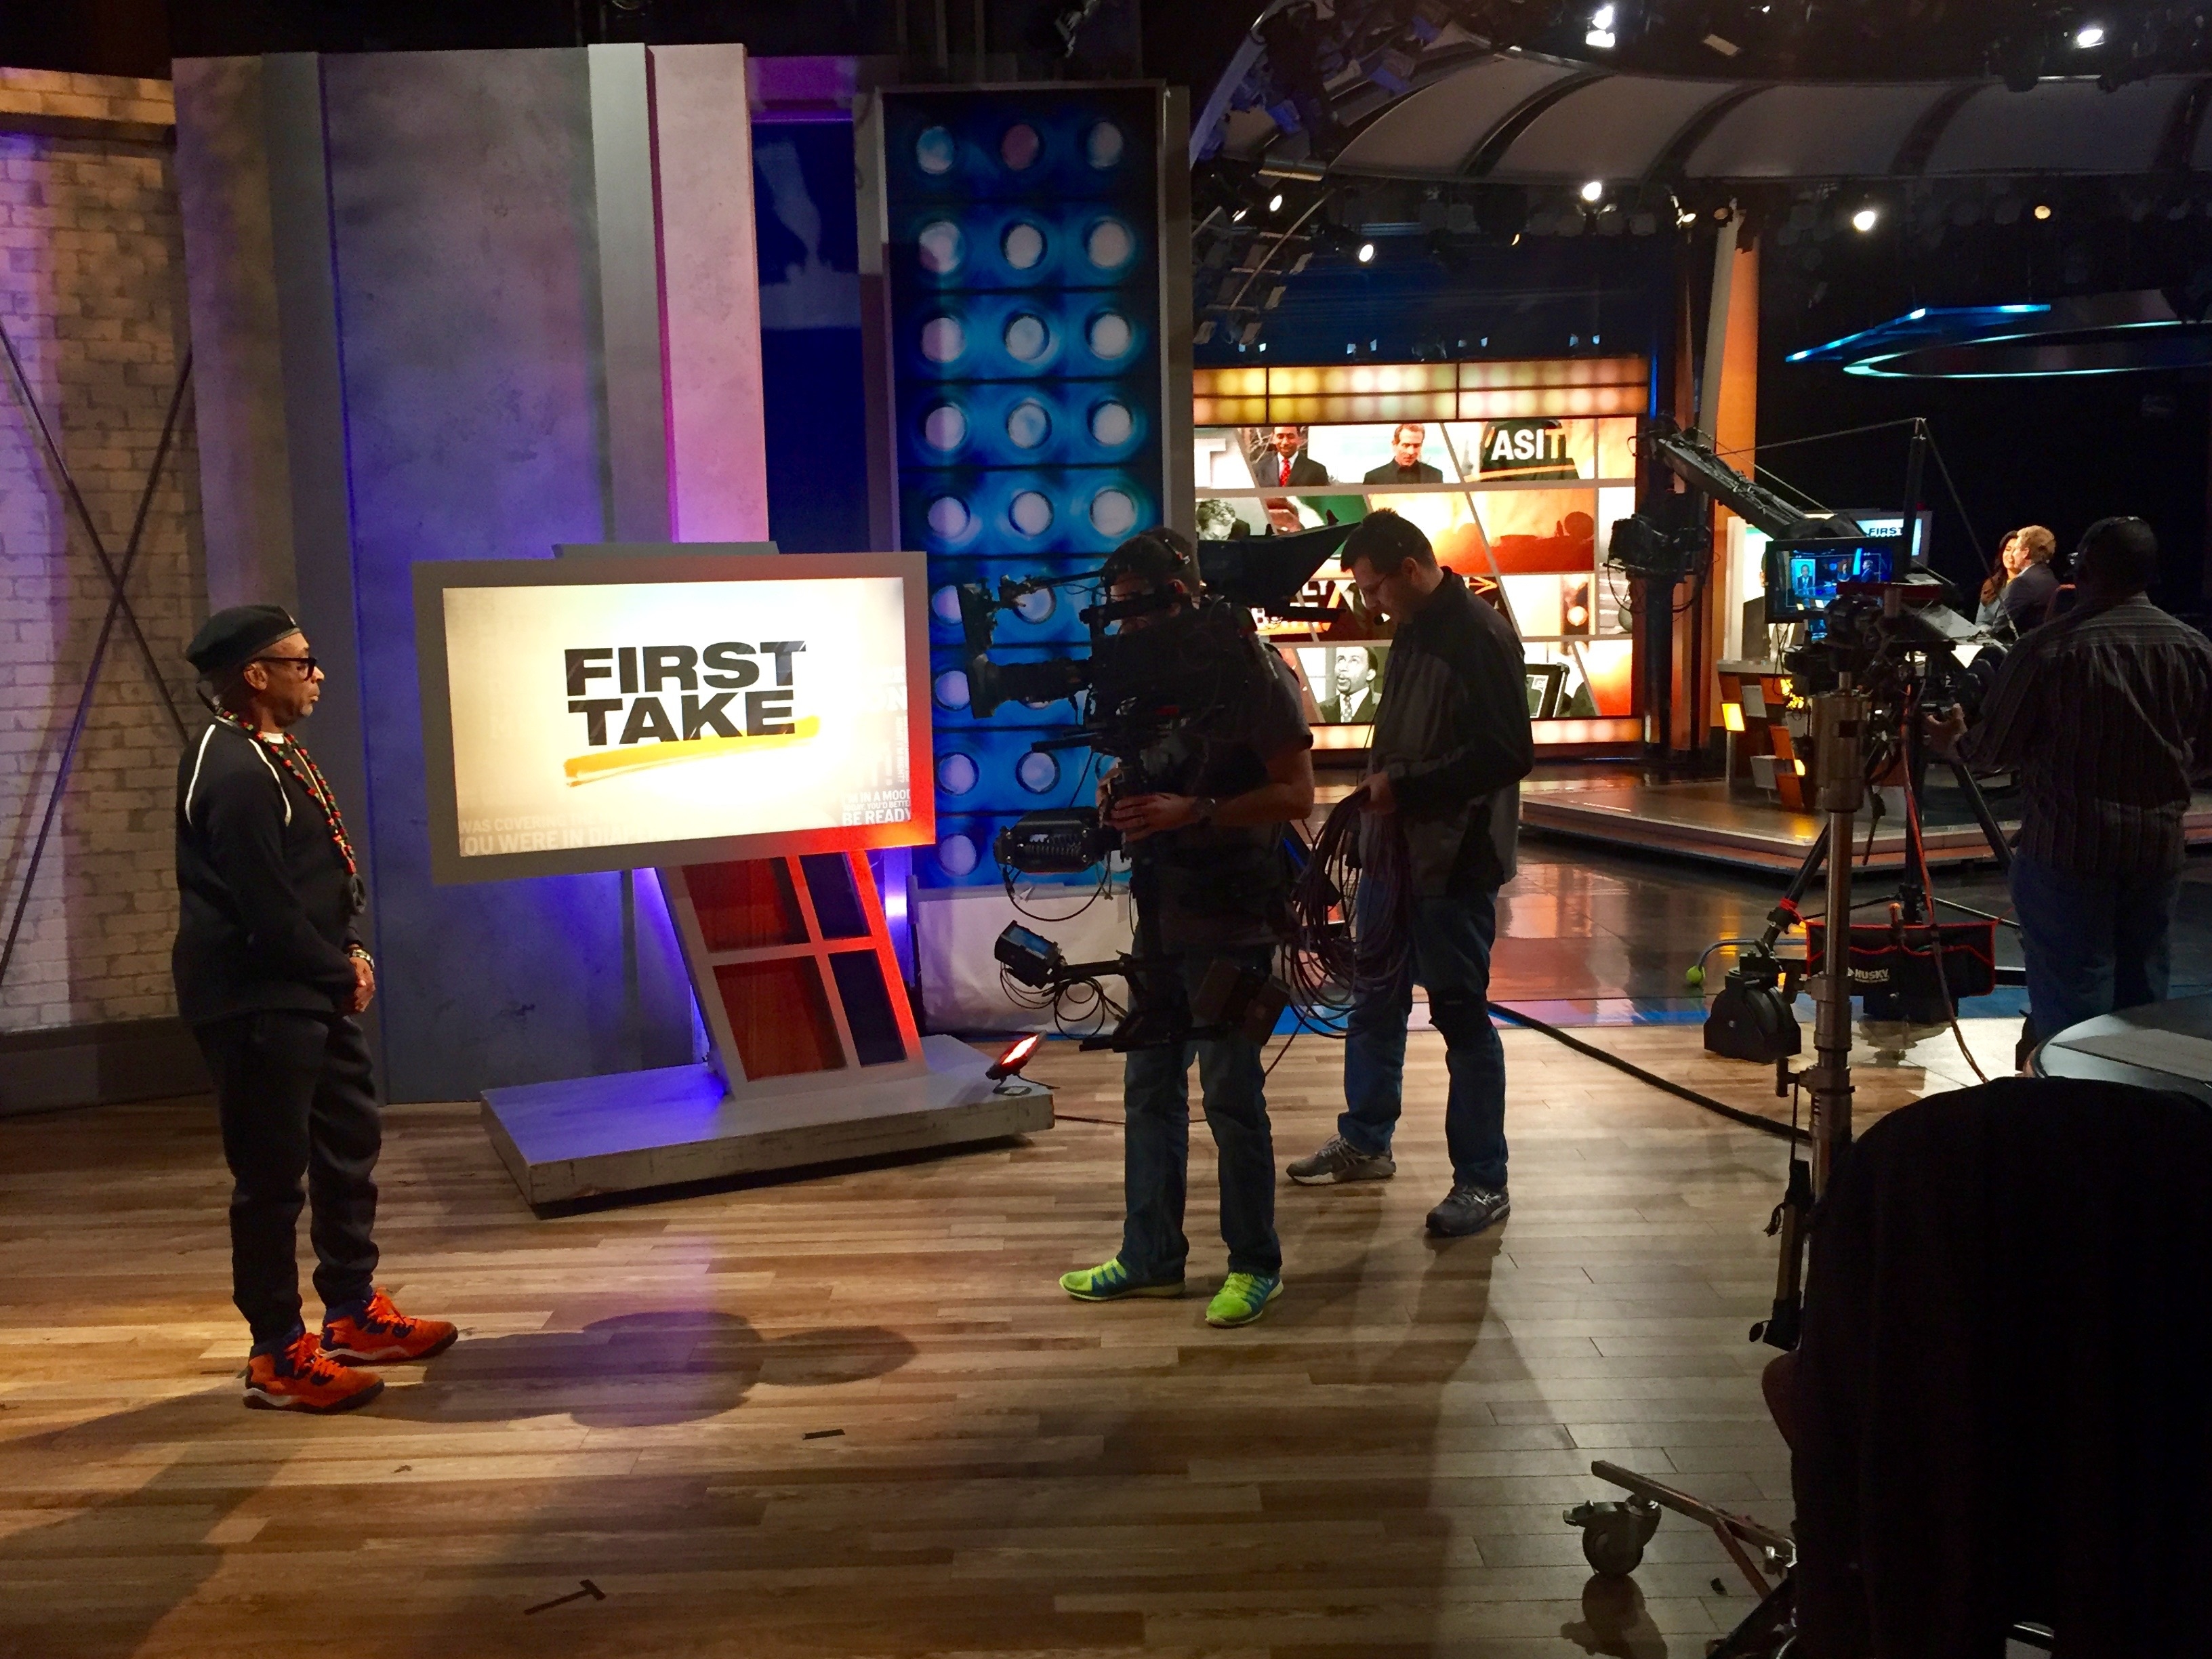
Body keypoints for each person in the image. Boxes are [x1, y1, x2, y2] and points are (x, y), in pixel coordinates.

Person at [176, 605, 457, 1412]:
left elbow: (317, 875)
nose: (318, 673)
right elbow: (265, 909)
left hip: (310, 989)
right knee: (270, 1181)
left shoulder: (269, 752)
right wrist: (338, 970)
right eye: (302, 661)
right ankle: (276, 1355)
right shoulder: (228, 771)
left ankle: (352, 1310)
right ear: (255, 675)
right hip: (259, 1002)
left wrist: (351, 951)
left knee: (346, 1146)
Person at [1059, 530, 1316, 1327]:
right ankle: (1151, 1257)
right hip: (1162, 904)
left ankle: (1255, 1263)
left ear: (1179, 592)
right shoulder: (1150, 677)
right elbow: (1165, 766)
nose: (1128, 626)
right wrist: (1124, 791)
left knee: (1231, 1093)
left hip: (1236, 910)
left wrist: (1194, 810)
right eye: (1120, 611)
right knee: (1150, 1086)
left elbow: (1298, 794)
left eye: (1139, 608)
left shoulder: (1250, 669)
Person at [1287, 510, 1534, 1236]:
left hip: (1453, 864)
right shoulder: (1420, 625)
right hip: (1398, 856)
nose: (1369, 603)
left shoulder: (1479, 637)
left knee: (1461, 1019)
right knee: (1374, 998)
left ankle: (1484, 1181)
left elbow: (1507, 754)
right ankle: (1366, 1140)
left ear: (1409, 569)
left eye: (1372, 588)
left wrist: (1408, 788)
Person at [1928, 517, 2212, 1059]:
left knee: (2073, 1003)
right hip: (2157, 851)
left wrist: (1952, 741)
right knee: (2145, 1000)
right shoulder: (2194, 647)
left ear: (2085, 571)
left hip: (2068, 851)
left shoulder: (2047, 651)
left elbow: (1992, 754)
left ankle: (2073, 1121)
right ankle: (2141, 1119)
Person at [1975, 524, 2060, 636]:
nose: (2013, 555)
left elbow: (1999, 629)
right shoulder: (2051, 579)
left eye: (2016, 549)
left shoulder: (2022, 583)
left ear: (2025, 553)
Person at [1362, 422, 1444, 485]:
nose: (1411, 452)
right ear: (1394, 445)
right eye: (1406, 445)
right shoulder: (1374, 478)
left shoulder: (1435, 475)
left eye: (1416, 446)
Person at [1319, 646, 1382, 724]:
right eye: (1341, 660)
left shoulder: (1385, 707)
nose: (1342, 668)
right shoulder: (1320, 710)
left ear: (1370, 674)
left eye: (1354, 661)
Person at [1263, 423, 1330, 487]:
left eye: (1290, 437)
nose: (1285, 442)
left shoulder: (1317, 471)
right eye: (1280, 437)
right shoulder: (1258, 470)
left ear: (1300, 439)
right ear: (1273, 439)